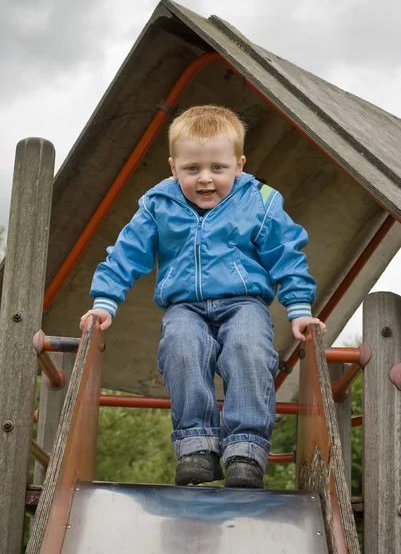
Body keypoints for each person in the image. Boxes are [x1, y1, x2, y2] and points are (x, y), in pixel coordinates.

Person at [80, 105, 326, 489]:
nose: (205, 179)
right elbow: (126, 252)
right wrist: (104, 301)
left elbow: (286, 255)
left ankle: (245, 449)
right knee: (181, 345)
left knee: (248, 348)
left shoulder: (260, 201)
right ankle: (197, 446)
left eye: (217, 168)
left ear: (239, 165)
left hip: (244, 302)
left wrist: (299, 308)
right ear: (173, 167)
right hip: (184, 307)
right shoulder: (158, 205)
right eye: (192, 169)